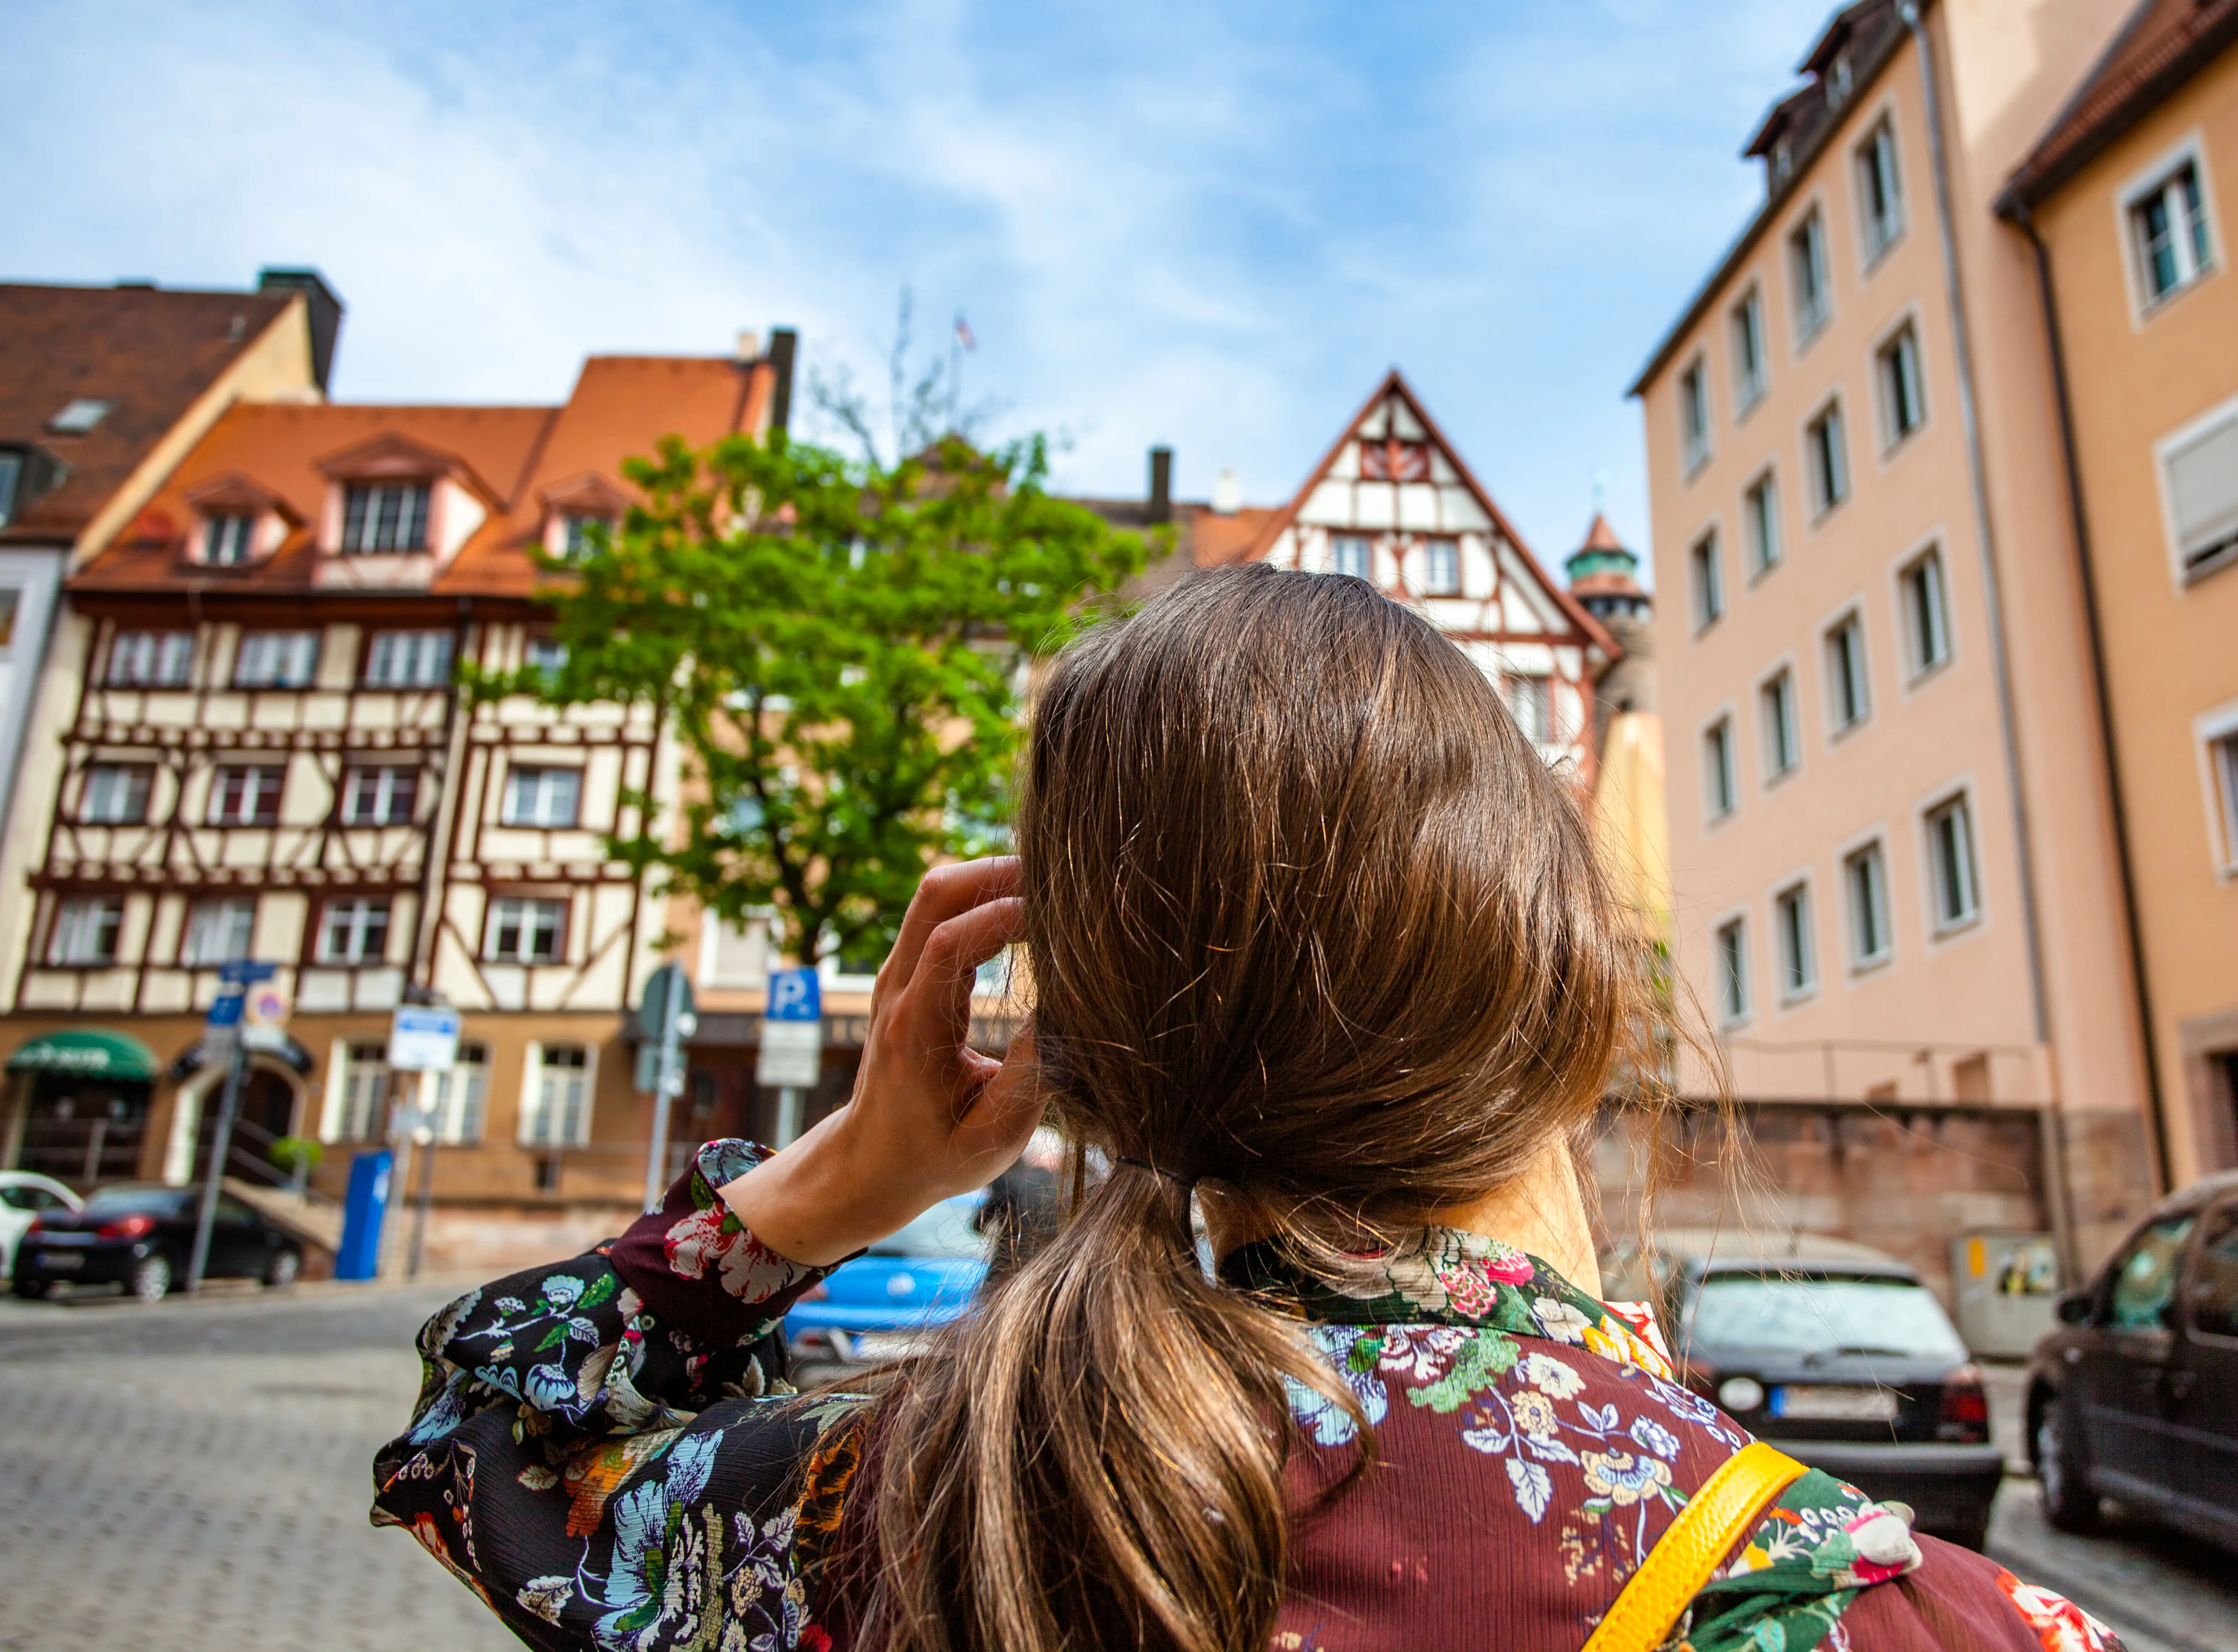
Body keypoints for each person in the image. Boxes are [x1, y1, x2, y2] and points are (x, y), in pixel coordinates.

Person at [374, 565, 2120, 1652]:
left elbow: (482, 1436)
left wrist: (839, 1184)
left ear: (1104, 1062)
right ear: (1580, 992)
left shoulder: (903, 1510)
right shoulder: (1870, 1614)